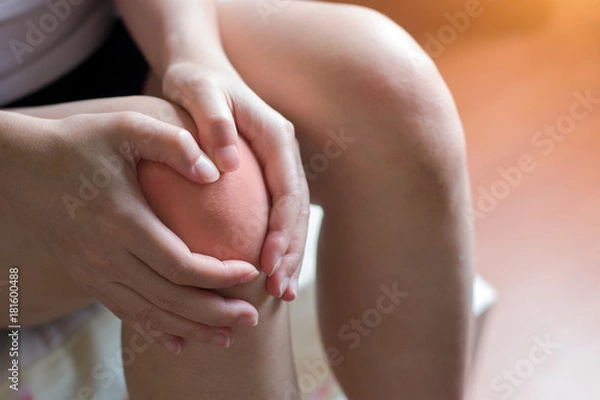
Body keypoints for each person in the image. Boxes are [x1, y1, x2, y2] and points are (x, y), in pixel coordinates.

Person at [0, 0, 474, 399]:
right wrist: (24, 160)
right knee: (216, 207)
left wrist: (194, 57)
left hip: (112, 40)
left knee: (391, 88)